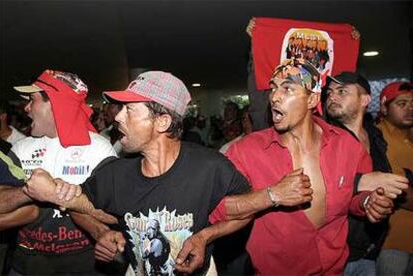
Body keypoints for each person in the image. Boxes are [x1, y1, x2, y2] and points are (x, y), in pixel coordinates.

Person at [21, 71, 255, 275]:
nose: (118, 116)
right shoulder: (115, 172)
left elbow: (247, 211)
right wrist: (57, 193)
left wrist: (205, 237)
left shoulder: (210, 166)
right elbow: (82, 204)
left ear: (162, 121)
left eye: (129, 110)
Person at [174, 59, 394, 275]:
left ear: (312, 99)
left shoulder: (346, 146)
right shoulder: (247, 150)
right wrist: (271, 195)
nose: (275, 97)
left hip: (335, 269)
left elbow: (353, 196)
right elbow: (218, 209)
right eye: (273, 88)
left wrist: (368, 202)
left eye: (287, 88)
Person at [0, 70, 117, 275]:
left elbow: (113, 212)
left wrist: (56, 193)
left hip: (81, 266)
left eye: (32, 100)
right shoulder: (21, 148)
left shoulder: (99, 148)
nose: (26, 108)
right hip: (26, 265)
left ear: (54, 103)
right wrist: (29, 190)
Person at [324, 72, 409, 275]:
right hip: (336, 255)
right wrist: (362, 181)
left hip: (370, 250)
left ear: (365, 100)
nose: (332, 97)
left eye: (341, 91)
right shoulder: (323, 137)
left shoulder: (375, 135)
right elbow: (320, 183)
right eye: (329, 93)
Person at [376, 81, 413, 275]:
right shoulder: (378, 137)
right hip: (394, 241)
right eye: (402, 103)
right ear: (384, 106)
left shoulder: (409, 137)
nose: (410, 109)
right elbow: (399, 192)